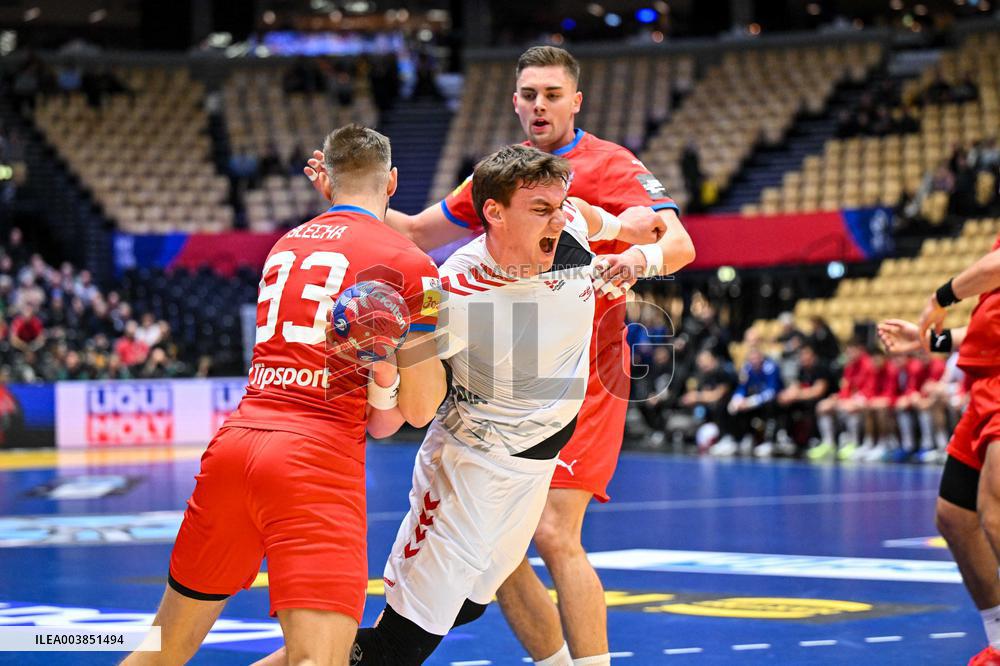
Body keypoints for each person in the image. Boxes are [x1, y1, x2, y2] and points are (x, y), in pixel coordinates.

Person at [304, 46, 694, 665]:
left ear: (576, 101)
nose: (540, 105)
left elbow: (671, 238)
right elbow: (414, 237)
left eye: (552, 94)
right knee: (489, 573)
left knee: (554, 534)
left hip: (584, 380)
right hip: (489, 411)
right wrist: (348, 196)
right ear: (515, 102)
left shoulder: (598, 179)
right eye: (529, 94)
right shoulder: (492, 202)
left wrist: (634, 257)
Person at [122, 125, 447, 666]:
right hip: (313, 463)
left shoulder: (284, 245)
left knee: (161, 651)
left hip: (236, 445)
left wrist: (384, 378)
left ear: (327, 185)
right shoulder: (412, 266)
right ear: (392, 182)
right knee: (320, 659)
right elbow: (416, 410)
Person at [877, 227, 1000, 666]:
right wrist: (930, 341)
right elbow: (990, 324)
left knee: (994, 511)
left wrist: (941, 297)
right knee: (955, 515)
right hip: (986, 386)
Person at [809, 338, 873, 461]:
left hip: (866, 399)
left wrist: (850, 400)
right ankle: (829, 444)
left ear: (860, 350)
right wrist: (838, 398)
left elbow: (869, 389)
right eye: (847, 351)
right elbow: (846, 388)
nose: (848, 354)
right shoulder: (849, 366)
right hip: (850, 400)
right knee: (823, 406)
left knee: (850, 409)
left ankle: (853, 444)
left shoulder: (868, 365)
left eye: (851, 351)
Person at [776, 343, 834, 454]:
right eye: (801, 355)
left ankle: (815, 439)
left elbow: (818, 391)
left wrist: (796, 395)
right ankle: (787, 437)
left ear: (813, 356)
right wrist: (787, 395)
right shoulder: (802, 369)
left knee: (812, 404)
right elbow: (796, 386)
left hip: (825, 399)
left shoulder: (821, 368)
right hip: (807, 398)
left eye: (805, 354)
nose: (802, 357)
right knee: (785, 403)